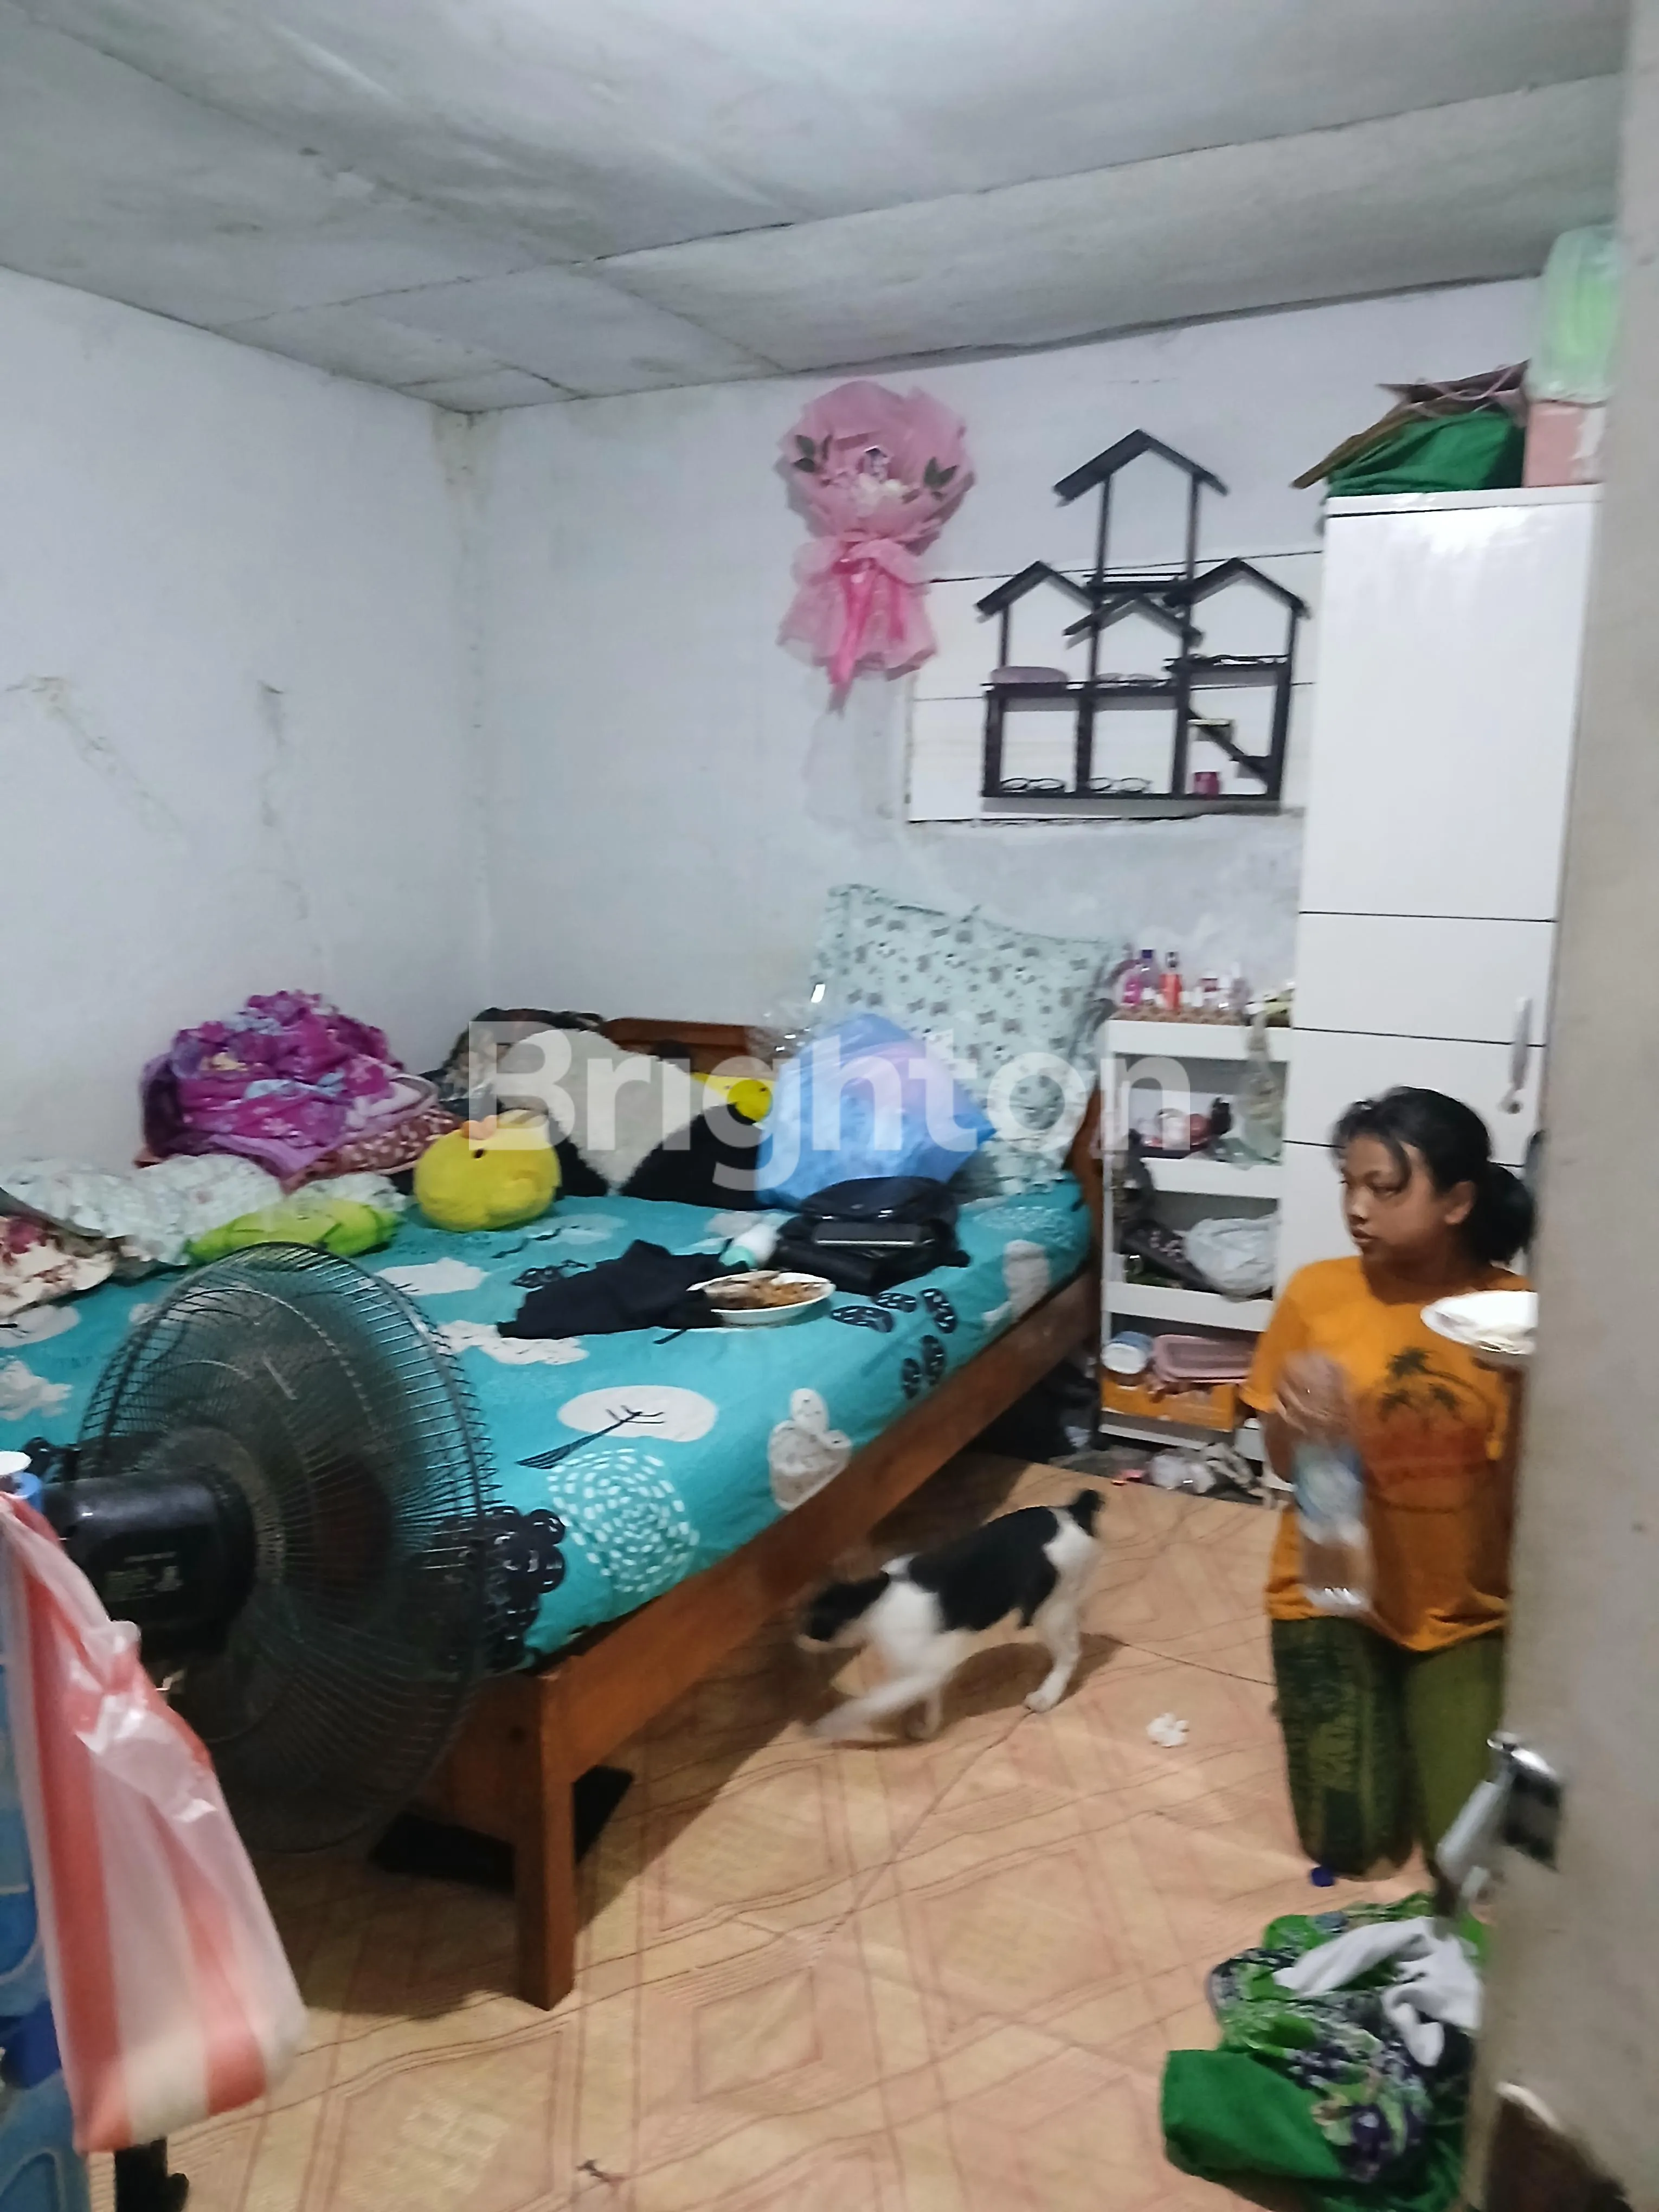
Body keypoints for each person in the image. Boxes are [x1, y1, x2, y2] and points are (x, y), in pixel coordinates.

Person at [1244, 1088, 1533, 1876]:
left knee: (1466, 1859)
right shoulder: (1318, 1294)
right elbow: (1282, 1464)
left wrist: (1528, 1393)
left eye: (1385, 1188)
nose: (1357, 1208)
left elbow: (1531, 1499)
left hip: (1462, 1608)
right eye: (1349, 1184)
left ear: (1458, 1202)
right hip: (1331, 1594)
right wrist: (1295, 1416)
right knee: (1352, 1846)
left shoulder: (1510, 1316)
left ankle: (1421, 1701)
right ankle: (1368, 1700)